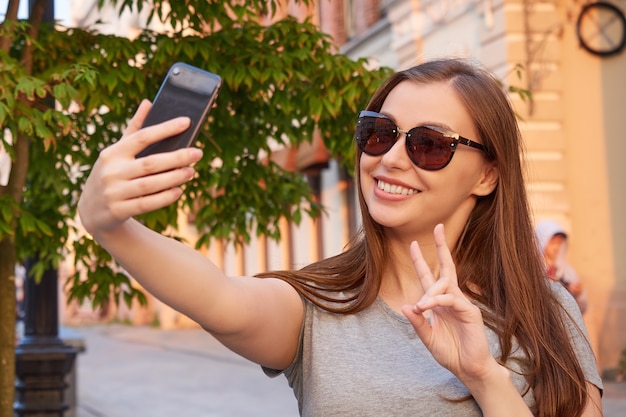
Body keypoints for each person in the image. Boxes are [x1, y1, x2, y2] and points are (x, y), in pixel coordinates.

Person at [78, 58, 603, 416]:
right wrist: (110, 225)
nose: (390, 158)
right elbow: (219, 296)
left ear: (488, 174)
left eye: (429, 144)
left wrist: (485, 378)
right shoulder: (319, 308)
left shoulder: (547, 310)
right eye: (379, 132)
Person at [535, 219, 588, 314]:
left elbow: (582, 309)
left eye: (559, 242)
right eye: (552, 242)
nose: (556, 247)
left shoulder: (567, 271)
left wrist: (577, 294)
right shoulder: (533, 270)